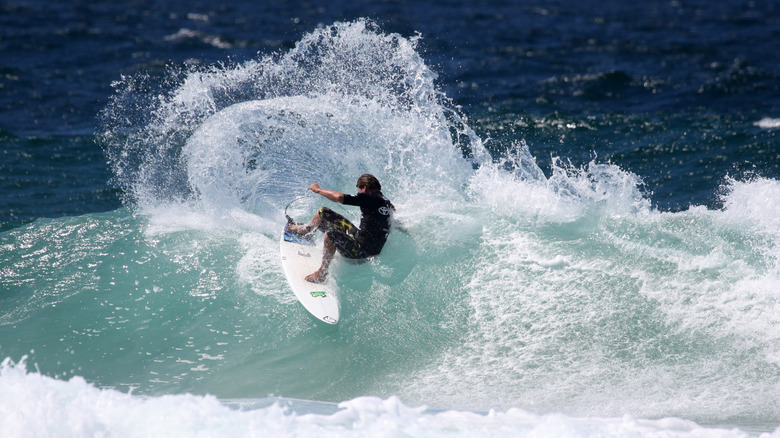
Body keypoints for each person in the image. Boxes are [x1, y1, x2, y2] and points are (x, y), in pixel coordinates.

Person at [286, 174, 395, 283]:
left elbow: (339, 197)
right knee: (323, 212)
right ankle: (307, 231)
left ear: (365, 188)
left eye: (359, 190)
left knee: (331, 235)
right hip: (361, 240)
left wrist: (318, 190)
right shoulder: (386, 202)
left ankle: (322, 273)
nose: (358, 194)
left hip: (361, 252)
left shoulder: (368, 198)